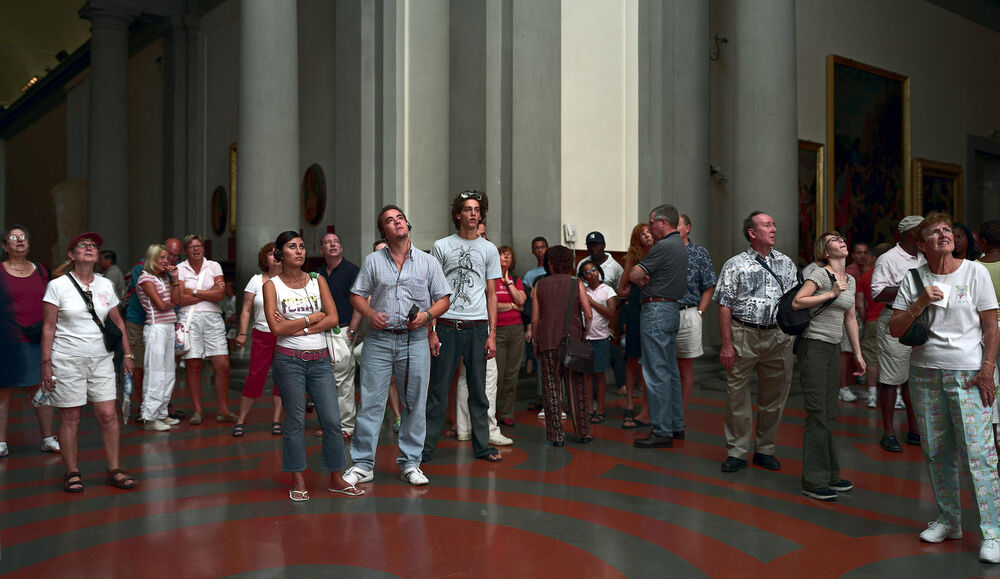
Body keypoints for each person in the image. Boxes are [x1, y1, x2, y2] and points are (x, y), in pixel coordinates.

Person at [888, 213, 1000, 564]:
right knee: (937, 450)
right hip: (924, 372)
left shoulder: (975, 272)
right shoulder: (914, 278)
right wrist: (920, 301)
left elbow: (991, 326)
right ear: (920, 245)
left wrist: (987, 371)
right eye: (934, 232)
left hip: (968, 373)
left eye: (947, 230)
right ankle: (949, 520)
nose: (943, 235)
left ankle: (993, 532)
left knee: (979, 453)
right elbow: (895, 328)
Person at [344, 206, 451, 487]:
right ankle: (363, 464)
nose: (397, 223)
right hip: (379, 340)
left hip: (414, 339)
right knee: (371, 403)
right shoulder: (373, 261)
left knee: (414, 402)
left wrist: (427, 316)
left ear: (407, 224)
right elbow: (356, 296)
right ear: (385, 232)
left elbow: (443, 299)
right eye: (390, 221)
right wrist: (370, 314)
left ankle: (411, 463)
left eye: (400, 218)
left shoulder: (428, 262)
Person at [262, 230, 362, 501]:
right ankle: (298, 479)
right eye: (292, 247)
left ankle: (336, 478)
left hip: (319, 360)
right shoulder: (272, 285)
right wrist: (309, 320)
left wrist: (297, 327)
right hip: (289, 361)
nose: (299, 251)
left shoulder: (318, 281)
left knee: (332, 421)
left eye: (302, 247)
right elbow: (275, 328)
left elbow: (332, 318)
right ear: (280, 254)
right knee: (295, 422)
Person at [40, 232, 136, 492]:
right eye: (82, 245)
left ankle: (114, 468)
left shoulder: (105, 285)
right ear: (71, 256)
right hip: (67, 360)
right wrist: (46, 363)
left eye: (93, 245)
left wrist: (127, 354)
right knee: (71, 417)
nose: (90, 248)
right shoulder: (57, 286)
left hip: (101, 359)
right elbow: (48, 327)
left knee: (107, 414)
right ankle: (72, 471)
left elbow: (117, 322)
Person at [424, 190, 504, 463]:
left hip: (478, 327)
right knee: (437, 390)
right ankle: (425, 449)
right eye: (467, 209)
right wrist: (431, 330)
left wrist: (492, 333)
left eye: (477, 209)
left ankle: (482, 447)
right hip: (446, 325)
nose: (473, 213)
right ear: (458, 214)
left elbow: (492, 293)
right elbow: (432, 291)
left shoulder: (489, 249)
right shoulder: (441, 246)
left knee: (478, 392)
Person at [714, 211, 797, 472]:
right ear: (752, 232)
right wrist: (726, 344)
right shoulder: (734, 264)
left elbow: (795, 302)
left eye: (774, 224)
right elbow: (725, 306)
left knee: (774, 397)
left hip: (778, 337)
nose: (774, 229)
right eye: (767, 225)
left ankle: (765, 449)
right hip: (743, 335)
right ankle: (737, 452)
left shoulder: (786, 263)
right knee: (737, 395)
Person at [792, 232, 865, 501]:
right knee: (817, 413)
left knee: (829, 413)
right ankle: (813, 479)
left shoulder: (851, 280)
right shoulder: (820, 275)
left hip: (834, 347)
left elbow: (851, 319)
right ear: (825, 251)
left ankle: (831, 474)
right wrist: (831, 293)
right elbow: (798, 301)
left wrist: (857, 353)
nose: (842, 241)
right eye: (835, 240)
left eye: (842, 238)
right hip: (814, 346)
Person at [628, 204, 688, 448]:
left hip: (656, 310)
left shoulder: (662, 247)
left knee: (655, 373)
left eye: (652, 222)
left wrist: (642, 278)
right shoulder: (681, 246)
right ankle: (676, 425)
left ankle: (662, 430)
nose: (650, 226)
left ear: (663, 222)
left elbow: (633, 275)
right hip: (672, 309)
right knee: (671, 371)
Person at [0, 224, 60, 457]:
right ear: (5, 246)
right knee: (4, 391)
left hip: (37, 338)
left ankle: (47, 437)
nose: (20, 240)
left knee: (42, 388)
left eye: (23, 237)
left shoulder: (41, 270)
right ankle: (1, 442)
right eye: (14, 238)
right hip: (9, 340)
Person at [871, 216, 924, 452]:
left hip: (922, 319)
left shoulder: (925, 256)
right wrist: (911, 286)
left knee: (914, 378)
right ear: (912, 233)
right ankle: (889, 432)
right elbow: (878, 292)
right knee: (892, 378)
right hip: (896, 317)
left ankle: (914, 430)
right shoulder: (888, 259)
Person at [532, 245, 593, 445]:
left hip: (548, 340)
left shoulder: (540, 285)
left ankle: (556, 436)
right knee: (577, 387)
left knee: (551, 389)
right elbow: (589, 313)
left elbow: (535, 319)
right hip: (573, 340)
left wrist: (535, 340)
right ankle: (583, 432)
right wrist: (585, 331)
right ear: (570, 263)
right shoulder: (577, 283)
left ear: (550, 264)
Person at [176, 234, 235, 425]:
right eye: (191, 246)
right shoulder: (180, 268)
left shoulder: (214, 266)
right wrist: (209, 294)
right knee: (193, 366)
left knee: (223, 365)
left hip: (213, 319)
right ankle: (197, 410)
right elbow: (179, 298)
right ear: (186, 250)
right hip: (189, 318)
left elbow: (220, 295)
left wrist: (192, 291)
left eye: (199, 245)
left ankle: (223, 409)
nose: (196, 249)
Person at [232, 243, 284, 436]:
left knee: (282, 378)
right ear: (265, 259)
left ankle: (277, 419)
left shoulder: (290, 280)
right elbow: (246, 310)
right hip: (262, 334)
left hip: (285, 335)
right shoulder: (256, 280)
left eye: (278, 253)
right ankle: (241, 419)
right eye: (271, 254)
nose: (275, 256)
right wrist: (243, 333)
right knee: (255, 375)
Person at [315, 232, 363, 439]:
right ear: (322, 250)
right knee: (324, 381)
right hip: (320, 333)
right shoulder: (317, 275)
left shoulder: (352, 271)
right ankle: (329, 425)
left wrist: (352, 331)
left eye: (336, 242)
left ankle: (346, 426)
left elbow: (360, 303)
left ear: (341, 248)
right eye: (328, 243)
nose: (332, 245)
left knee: (343, 380)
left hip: (343, 330)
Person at [135, 244, 181, 432]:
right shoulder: (145, 278)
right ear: (152, 258)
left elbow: (176, 300)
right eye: (161, 258)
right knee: (155, 373)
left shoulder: (164, 277)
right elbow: (161, 305)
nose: (165, 261)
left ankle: (162, 413)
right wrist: (171, 302)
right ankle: (149, 416)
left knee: (169, 372)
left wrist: (176, 278)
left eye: (167, 258)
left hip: (168, 326)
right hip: (155, 328)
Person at [676, 213, 716, 414]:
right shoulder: (662, 250)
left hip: (688, 312)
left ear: (687, 228)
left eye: (678, 225)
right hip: (664, 311)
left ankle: (680, 412)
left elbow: (709, 285)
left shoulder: (699, 253)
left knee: (685, 367)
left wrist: (700, 312)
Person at [617, 223, 655, 428]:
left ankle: (647, 408)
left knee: (649, 361)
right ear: (637, 238)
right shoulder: (634, 258)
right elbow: (621, 288)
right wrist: (637, 286)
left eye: (649, 232)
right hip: (635, 310)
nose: (647, 236)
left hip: (654, 308)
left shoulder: (661, 252)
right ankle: (630, 403)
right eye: (643, 234)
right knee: (632, 358)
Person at [495, 245, 526, 427]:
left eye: (509, 256)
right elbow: (490, 305)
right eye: (502, 255)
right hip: (497, 330)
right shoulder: (490, 279)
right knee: (497, 374)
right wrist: (513, 306)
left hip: (516, 330)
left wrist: (508, 284)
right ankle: (494, 410)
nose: (506, 259)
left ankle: (507, 412)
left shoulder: (515, 279)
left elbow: (522, 300)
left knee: (512, 374)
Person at [581, 262, 616, 423]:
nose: (592, 273)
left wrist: (592, 302)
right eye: (587, 272)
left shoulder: (607, 290)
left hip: (601, 338)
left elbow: (611, 313)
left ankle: (600, 408)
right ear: (583, 277)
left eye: (594, 269)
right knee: (587, 375)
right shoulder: (583, 291)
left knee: (600, 374)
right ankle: (588, 409)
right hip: (586, 338)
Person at [858, 243, 891, 408]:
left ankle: (871, 395)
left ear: (874, 258)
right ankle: (897, 396)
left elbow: (860, 304)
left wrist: (866, 319)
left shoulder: (866, 276)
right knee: (894, 358)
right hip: (892, 319)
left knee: (871, 359)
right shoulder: (896, 274)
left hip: (871, 321)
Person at [977, 220, 1000, 453]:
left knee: (990, 386)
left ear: (982, 241)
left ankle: (993, 443)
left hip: (986, 331)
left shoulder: (974, 267)